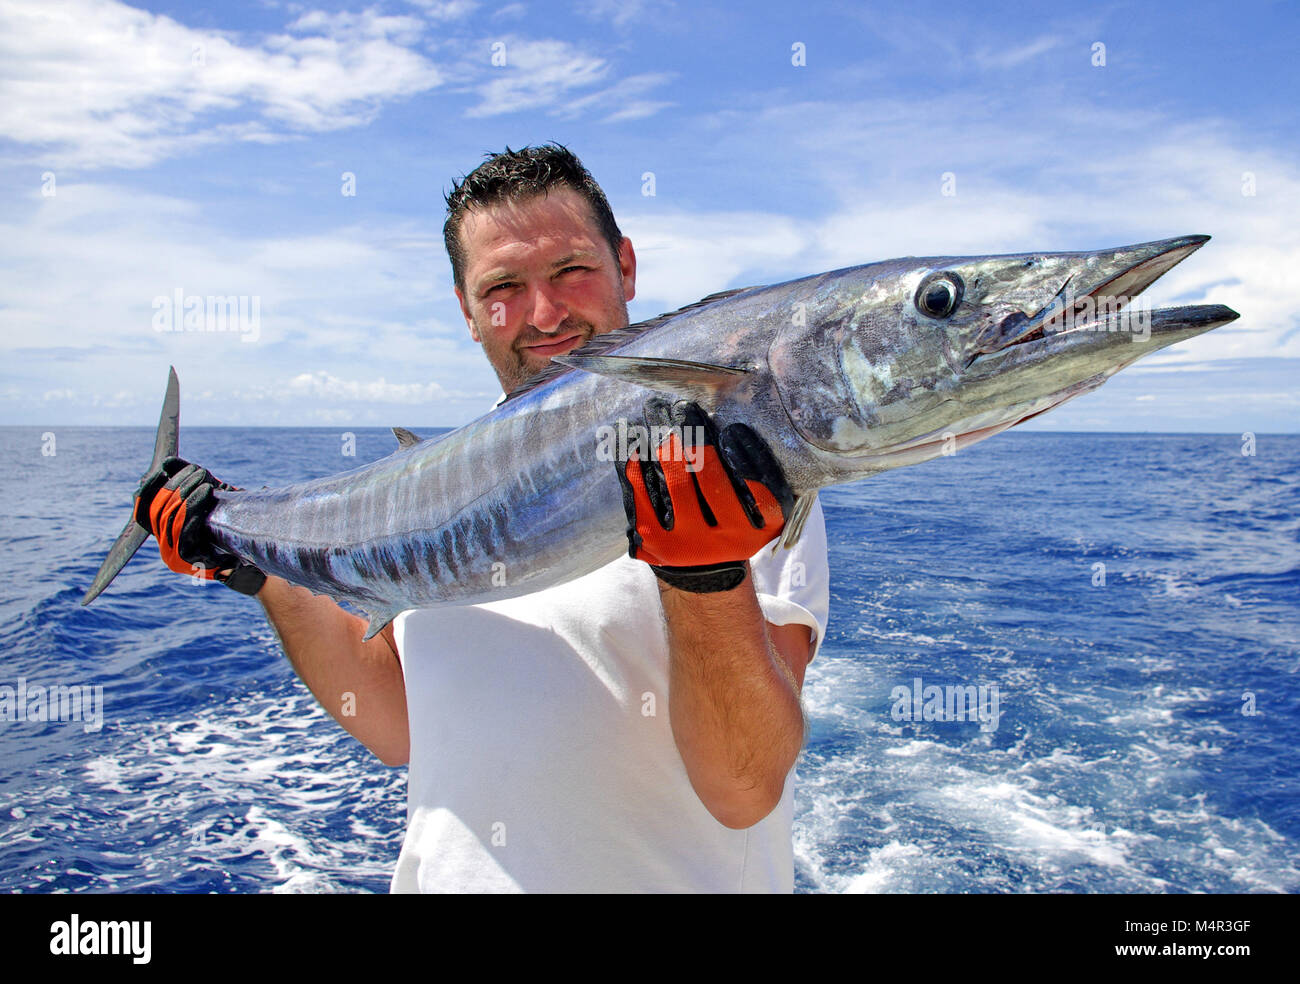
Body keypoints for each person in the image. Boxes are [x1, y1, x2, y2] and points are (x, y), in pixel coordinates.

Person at [137, 144, 830, 892]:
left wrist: (705, 575)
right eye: (503, 287)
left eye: (572, 270)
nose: (544, 313)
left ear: (626, 265)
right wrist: (253, 571)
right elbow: (396, 723)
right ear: (468, 312)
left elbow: (744, 789)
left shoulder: (742, 472)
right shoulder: (437, 488)